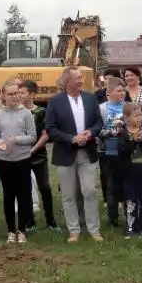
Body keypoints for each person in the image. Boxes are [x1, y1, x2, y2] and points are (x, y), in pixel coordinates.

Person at [45, 66, 104, 243]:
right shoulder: (55, 102)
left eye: (81, 77)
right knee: (69, 195)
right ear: (67, 81)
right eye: (77, 78)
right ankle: (74, 230)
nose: (81, 80)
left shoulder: (90, 98)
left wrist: (90, 133)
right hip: (65, 154)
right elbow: (50, 128)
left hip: (87, 153)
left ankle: (94, 229)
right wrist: (71, 139)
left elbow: (99, 122)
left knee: (90, 191)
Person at [0, 78, 38, 244]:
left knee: (24, 196)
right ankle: (11, 230)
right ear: (3, 96)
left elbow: (33, 137)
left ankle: (22, 230)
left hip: (22, 160)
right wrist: (0, 143)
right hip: (5, 161)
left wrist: (16, 139)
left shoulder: (26, 113)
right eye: (10, 94)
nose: (14, 97)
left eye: (16, 93)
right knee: (8, 196)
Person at [22, 80, 57, 232]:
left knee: (44, 186)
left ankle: (51, 222)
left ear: (32, 94)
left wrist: (33, 149)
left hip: (39, 155)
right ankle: (30, 222)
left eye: (23, 92)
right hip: (21, 156)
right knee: (25, 188)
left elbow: (45, 134)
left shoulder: (42, 112)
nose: (19, 95)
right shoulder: (17, 112)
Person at [116, 102, 142, 237]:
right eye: (135, 116)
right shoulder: (123, 134)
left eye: (140, 115)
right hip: (129, 172)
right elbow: (121, 152)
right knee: (131, 200)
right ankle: (132, 227)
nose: (139, 118)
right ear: (126, 118)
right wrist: (133, 142)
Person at [98, 77, 127, 228]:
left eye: (123, 90)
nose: (122, 93)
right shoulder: (102, 109)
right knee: (111, 184)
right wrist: (111, 129)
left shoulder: (129, 107)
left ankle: (130, 214)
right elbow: (98, 130)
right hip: (109, 151)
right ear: (109, 93)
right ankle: (113, 217)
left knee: (127, 183)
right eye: (119, 90)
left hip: (126, 151)